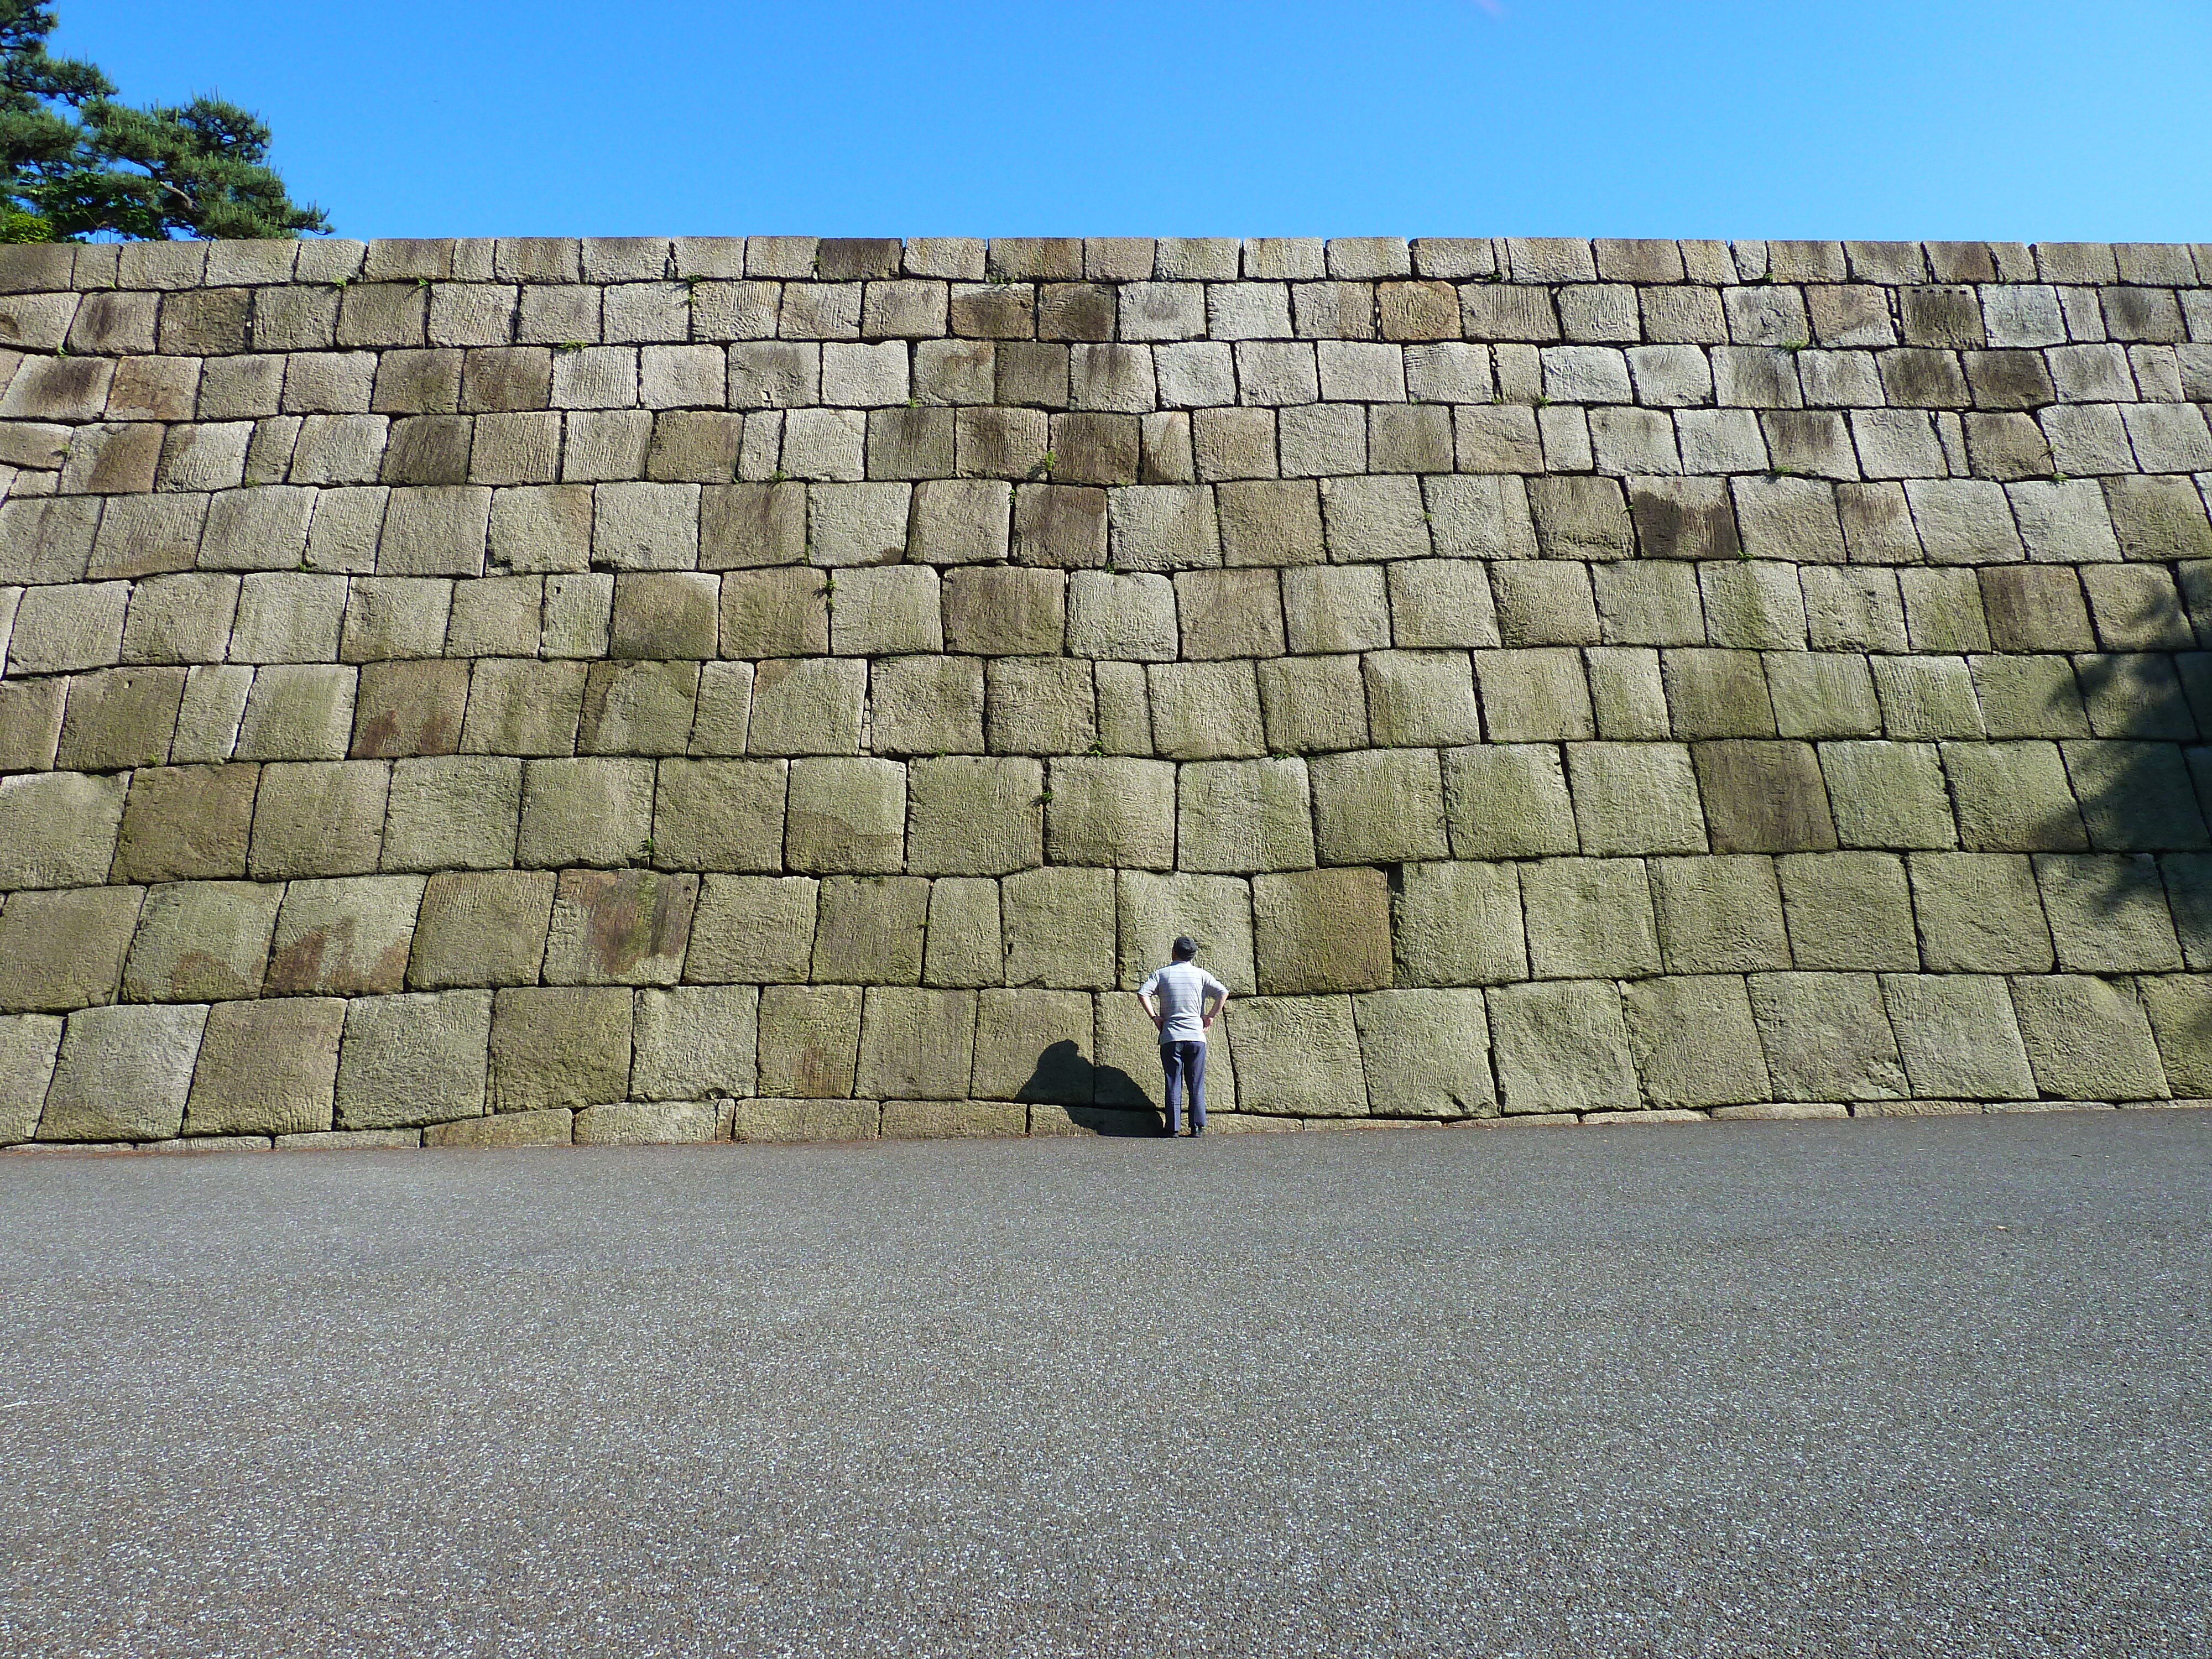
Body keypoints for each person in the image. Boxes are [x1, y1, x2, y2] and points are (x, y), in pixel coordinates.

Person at [1137, 937, 1229, 1138]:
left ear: (1174, 952)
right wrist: (1210, 1016)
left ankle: (1173, 1128)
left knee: (1173, 1082)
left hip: (1171, 1036)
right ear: (1193, 955)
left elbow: (1143, 993)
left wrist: (1155, 1017)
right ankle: (1197, 1127)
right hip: (1196, 1037)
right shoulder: (1202, 975)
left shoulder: (1161, 974)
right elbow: (1223, 992)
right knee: (1196, 1083)